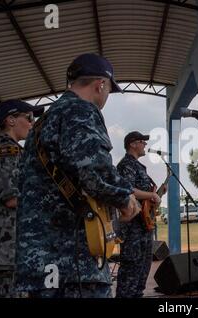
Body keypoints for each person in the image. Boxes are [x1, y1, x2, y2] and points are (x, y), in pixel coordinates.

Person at [15, 53, 140, 298]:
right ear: (100, 84)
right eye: (108, 90)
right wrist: (125, 198)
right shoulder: (81, 110)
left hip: (41, 260)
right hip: (74, 261)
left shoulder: (42, 123)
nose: (107, 96)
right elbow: (93, 172)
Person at [0, 100, 42, 297]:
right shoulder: (8, 150)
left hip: (3, 248)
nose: (32, 123)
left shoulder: (12, 149)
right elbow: (12, 198)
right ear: (11, 120)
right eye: (29, 117)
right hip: (2, 248)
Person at [116, 131, 163, 298]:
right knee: (131, 270)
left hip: (144, 225)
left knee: (142, 270)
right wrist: (151, 195)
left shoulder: (139, 166)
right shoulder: (126, 165)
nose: (145, 144)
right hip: (132, 227)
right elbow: (127, 190)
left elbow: (143, 197)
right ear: (132, 144)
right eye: (142, 141)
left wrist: (154, 199)